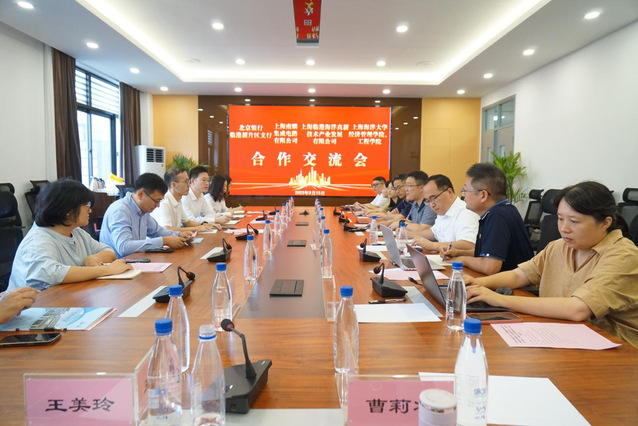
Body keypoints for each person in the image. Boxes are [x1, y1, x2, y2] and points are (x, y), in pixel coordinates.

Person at [465, 181, 638, 348]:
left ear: (605, 223)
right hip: (563, 335)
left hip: (616, 347)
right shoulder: (560, 246)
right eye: (560, 219)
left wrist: (498, 299)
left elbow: (577, 309)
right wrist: (478, 284)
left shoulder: (623, 255)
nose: (564, 228)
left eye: (574, 221)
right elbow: (520, 275)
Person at [8, 179, 131, 290]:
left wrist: (94, 258)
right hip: (36, 304)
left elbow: (108, 251)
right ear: (67, 210)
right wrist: (107, 270)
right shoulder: (38, 240)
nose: (90, 210)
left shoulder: (75, 231)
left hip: (68, 296)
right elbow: (52, 274)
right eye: (87, 205)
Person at [443, 163, 533, 275]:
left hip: (513, 285)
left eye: (465, 190)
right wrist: (459, 253)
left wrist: (462, 260)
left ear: (483, 195)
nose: (463, 194)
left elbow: (490, 266)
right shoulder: (501, 210)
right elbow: (488, 253)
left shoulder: (498, 217)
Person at [100, 173, 192, 258]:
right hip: (117, 266)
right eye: (156, 201)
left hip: (137, 261)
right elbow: (124, 247)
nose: (158, 205)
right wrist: (164, 241)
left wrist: (179, 235)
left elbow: (158, 231)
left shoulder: (143, 210)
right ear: (140, 194)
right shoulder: (120, 211)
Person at [412, 174, 479, 252]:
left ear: (449, 192)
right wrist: (408, 234)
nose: (432, 205)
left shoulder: (465, 213)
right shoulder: (443, 211)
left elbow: (469, 244)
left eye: (433, 198)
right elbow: (434, 233)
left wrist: (432, 246)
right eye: (428, 201)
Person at [151, 168, 220, 232]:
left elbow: (187, 222)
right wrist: (196, 228)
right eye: (186, 181)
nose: (189, 185)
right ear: (174, 185)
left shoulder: (178, 200)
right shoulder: (164, 203)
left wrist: (206, 225)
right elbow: (167, 229)